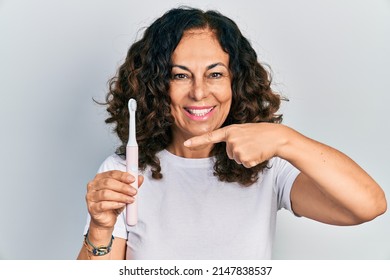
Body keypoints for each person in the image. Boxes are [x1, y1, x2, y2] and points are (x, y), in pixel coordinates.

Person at [77, 7, 386, 260]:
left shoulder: (269, 169)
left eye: (215, 74)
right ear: (157, 87)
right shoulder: (123, 173)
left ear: (235, 83)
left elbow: (368, 205)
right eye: (180, 75)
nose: (199, 92)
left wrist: (285, 140)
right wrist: (101, 229)